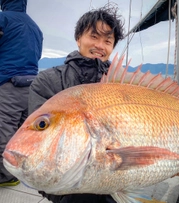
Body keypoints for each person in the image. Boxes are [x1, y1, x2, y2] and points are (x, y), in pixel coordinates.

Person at [28, 4, 124, 203]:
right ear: (78, 38)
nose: (100, 45)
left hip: (117, 186)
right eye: (94, 37)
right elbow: (39, 147)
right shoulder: (48, 81)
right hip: (68, 192)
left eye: (108, 41)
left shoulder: (122, 86)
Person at [0, 0, 43, 187]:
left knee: (3, 130)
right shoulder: (35, 27)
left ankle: (5, 176)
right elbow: (37, 54)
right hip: (32, 85)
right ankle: (19, 170)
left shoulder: (3, 19)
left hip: (8, 84)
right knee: (21, 132)